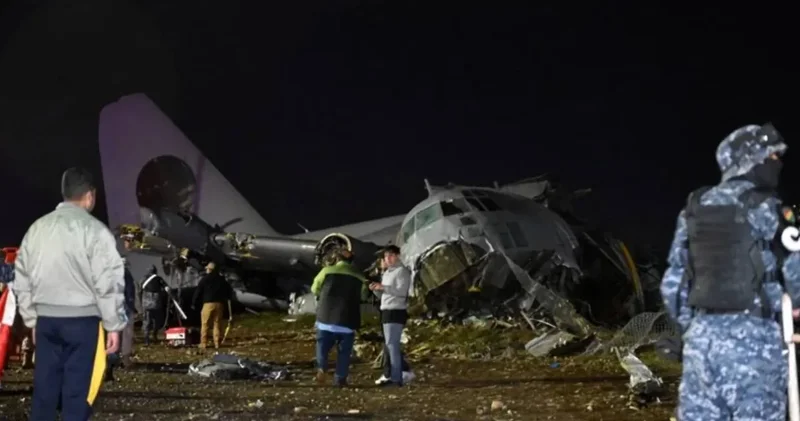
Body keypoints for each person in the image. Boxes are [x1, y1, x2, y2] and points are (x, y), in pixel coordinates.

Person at [660, 124, 800, 421]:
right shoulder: (770, 208)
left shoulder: (694, 208)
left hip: (701, 345)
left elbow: (673, 284)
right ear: (749, 160)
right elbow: (797, 272)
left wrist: (693, 330)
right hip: (756, 347)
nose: (777, 164)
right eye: (771, 157)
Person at [12, 167, 127, 420]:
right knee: (77, 393)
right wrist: (113, 325)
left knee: (44, 393)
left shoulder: (38, 228)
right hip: (83, 321)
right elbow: (109, 282)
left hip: (47, 320)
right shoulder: (96, 231)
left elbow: (22, 277)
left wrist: (32, 319)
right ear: (90, 195)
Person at [311, 249, 368, 387]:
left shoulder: (326, 271)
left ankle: (322, 367)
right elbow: (364, 296)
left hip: (325, 318)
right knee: (344, 352)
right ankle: (340, 379)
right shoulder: (360, 276)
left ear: (337, 259)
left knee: (322, 346)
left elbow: (314, 289)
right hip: (347, 320)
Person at [369, 246, 415, 386]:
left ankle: (396, 378)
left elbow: (401, 291)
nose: (387, 259)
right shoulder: (388, 272)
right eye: (386, 256)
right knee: (389, 345)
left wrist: (383, 287)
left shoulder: (402, 271)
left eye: (391, 255)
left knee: (392, 345)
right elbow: (386, 294)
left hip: (396, 310)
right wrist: (376, 289)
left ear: (397, 256)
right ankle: (395, 374)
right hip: (386, 310)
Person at [105, 260, 137, 382]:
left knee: (112, 335)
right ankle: (124, 360)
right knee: (126, 335)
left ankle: (109, 362)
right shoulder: (125, 274)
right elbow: (129, 292)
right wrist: (131, 307)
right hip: (123, 309)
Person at [192, 262, 232, 349]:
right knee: (217, 324)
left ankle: (204, 343)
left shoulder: (204, 279)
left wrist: (194, 303)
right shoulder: (221, 279)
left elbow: (198, 291)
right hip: (219, 304)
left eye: (207, 269)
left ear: (209, 270)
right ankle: (217, 343)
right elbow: (229, 290)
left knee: (205, 324)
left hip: (208, 304)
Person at [139, 265, 168, 345]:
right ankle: (154, 336)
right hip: (156, 303)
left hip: (146, 304)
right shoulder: (159, 279)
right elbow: (166, 288)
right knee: (156, 321)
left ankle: (146, 339)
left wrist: (140, 302)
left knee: (147, 321)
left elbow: (139, 290)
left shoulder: (143, 279)